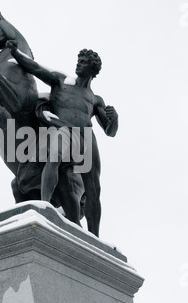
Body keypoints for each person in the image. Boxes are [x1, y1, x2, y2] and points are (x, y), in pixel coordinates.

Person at [6, 40, 118, 236]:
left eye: (83, 62)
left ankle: (95, 237)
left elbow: (110, 131)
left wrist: (114, 119)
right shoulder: (59, 81)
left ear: (92, 69)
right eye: (79, 60)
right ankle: (45, 205)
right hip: (64, 130)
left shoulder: (95, 99)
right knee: (54, 156)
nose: (78, 64)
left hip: (87, 137)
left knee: (94, 187)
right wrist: (15, 52)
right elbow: (35, 68)